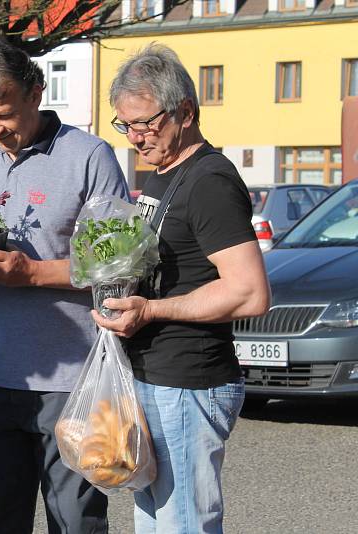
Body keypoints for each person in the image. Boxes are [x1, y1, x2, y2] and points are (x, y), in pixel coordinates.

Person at [0, 39, 129, 533]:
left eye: (4, 115)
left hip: (75, 383)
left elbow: (121, 262)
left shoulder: (90, 156)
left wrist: (32, 273)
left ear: (36, 93)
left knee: (76, 523)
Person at [93, 44, 271, 533]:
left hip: (190, 382)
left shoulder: (209, 180)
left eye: (144, 123)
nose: (134, 137)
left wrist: (149, 310)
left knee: (184, 522)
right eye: (124, 125)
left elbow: (250, 293)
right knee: (155, 520)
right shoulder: (165, 173)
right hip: (153, 377)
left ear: (185, 113)